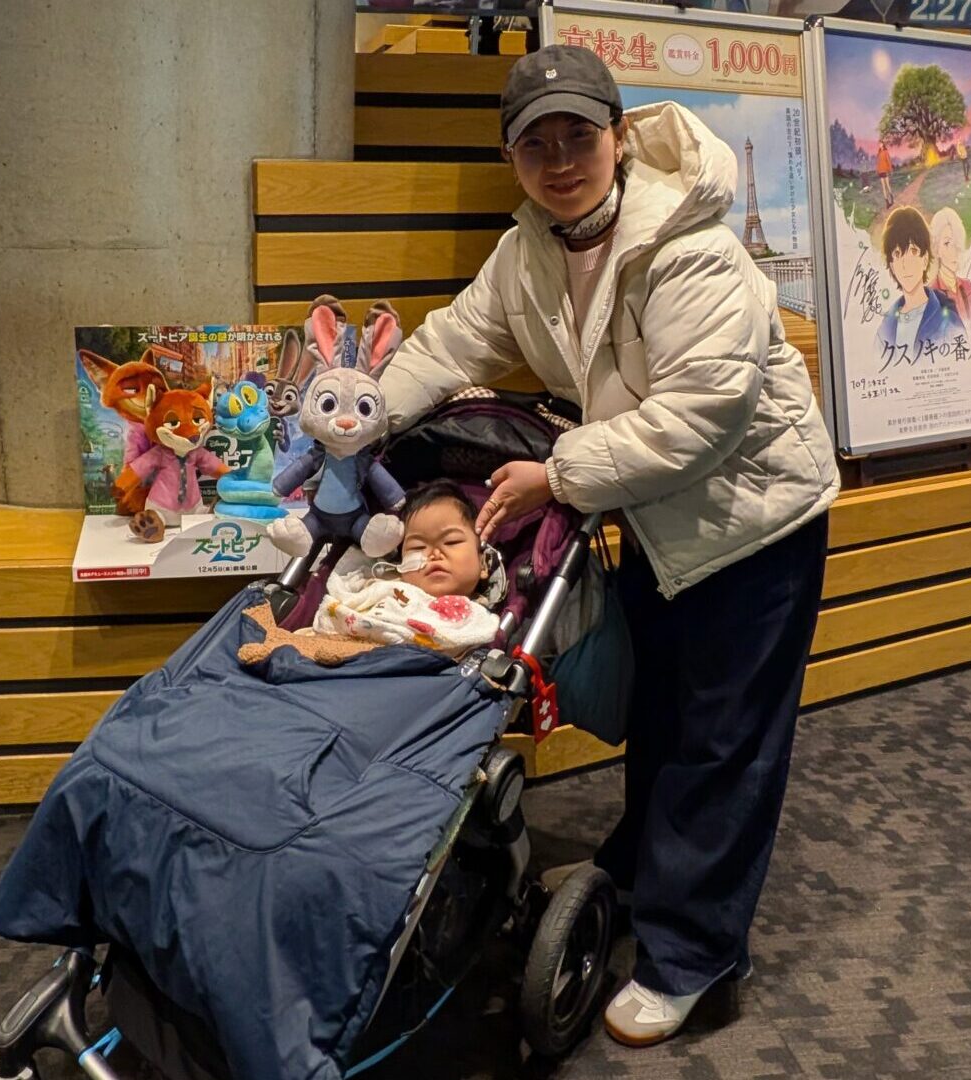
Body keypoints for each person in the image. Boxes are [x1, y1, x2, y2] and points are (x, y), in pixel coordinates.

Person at [378, 44, 839, 1046]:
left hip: (755, 522)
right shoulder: (528, 250)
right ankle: (638, 871)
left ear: (619, 137)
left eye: (578, 137)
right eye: (534, 144)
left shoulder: (688, 245)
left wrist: (557, 474)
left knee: (724, 740)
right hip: (657, 521)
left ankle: (692, 954)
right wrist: (362, 414)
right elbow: (452, 343)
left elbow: (699, 418)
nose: (559, 161)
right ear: (510, 157)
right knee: (663, 713)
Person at [312, 481, 501, 654]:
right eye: (418, 547)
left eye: (451, 542)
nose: (434, 554)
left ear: (483, 564)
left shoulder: (477, 621)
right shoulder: (380, 587)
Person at [877, 205, 965, 365]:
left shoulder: (948, 321)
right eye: (897, 254)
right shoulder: (885, 328)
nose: (905, 264)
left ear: (925, 259)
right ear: (891, 266)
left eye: (913, 251)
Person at [929, 205, 971, 327]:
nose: (954, 250)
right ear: (936, 249)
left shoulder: (967, 287)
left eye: (956, 242)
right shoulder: (931, 294)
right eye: (947, 243)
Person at [877, 140, 894, 208]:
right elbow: (878, 163)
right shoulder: (879, 153)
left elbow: (889, 161)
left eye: (880, 144)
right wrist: (878, 170)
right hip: (880, 171)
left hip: (885, 170)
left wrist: (890, 170)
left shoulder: (886, 152)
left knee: (887, 185)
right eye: (879, 144)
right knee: (883, 187)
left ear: (883, 144)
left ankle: (892, 198)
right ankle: (887, 203)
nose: (879, 145)